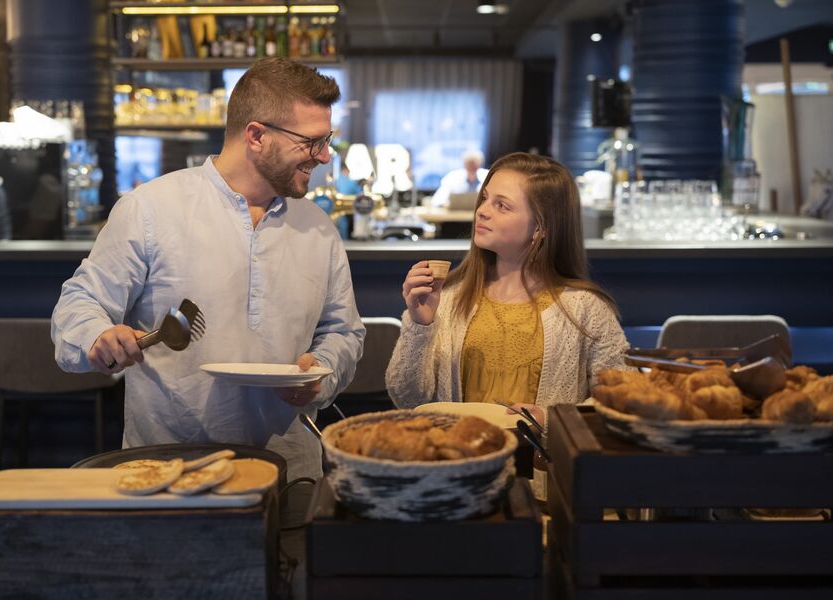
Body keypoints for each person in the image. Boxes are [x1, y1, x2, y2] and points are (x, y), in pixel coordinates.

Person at [52, 58, 365, 481]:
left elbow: (344, 332)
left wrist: (321, 373)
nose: (324, 157)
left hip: (292, 473)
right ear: (256, 135)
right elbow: (79, 304)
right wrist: (96, 336)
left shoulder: (318, 228)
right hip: (168, 472)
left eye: (326, 141)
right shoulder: (150, 209)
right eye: (311, 142)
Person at [386, 152, 629, 496]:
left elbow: (619, 405)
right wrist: (418, 325)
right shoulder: (448, 298)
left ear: (541, 227)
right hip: (454, 487)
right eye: (485, 198)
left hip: (545, 495)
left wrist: (550, 422)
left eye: (502, 205)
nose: (482, 210)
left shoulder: (586, 310)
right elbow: (408, 401)